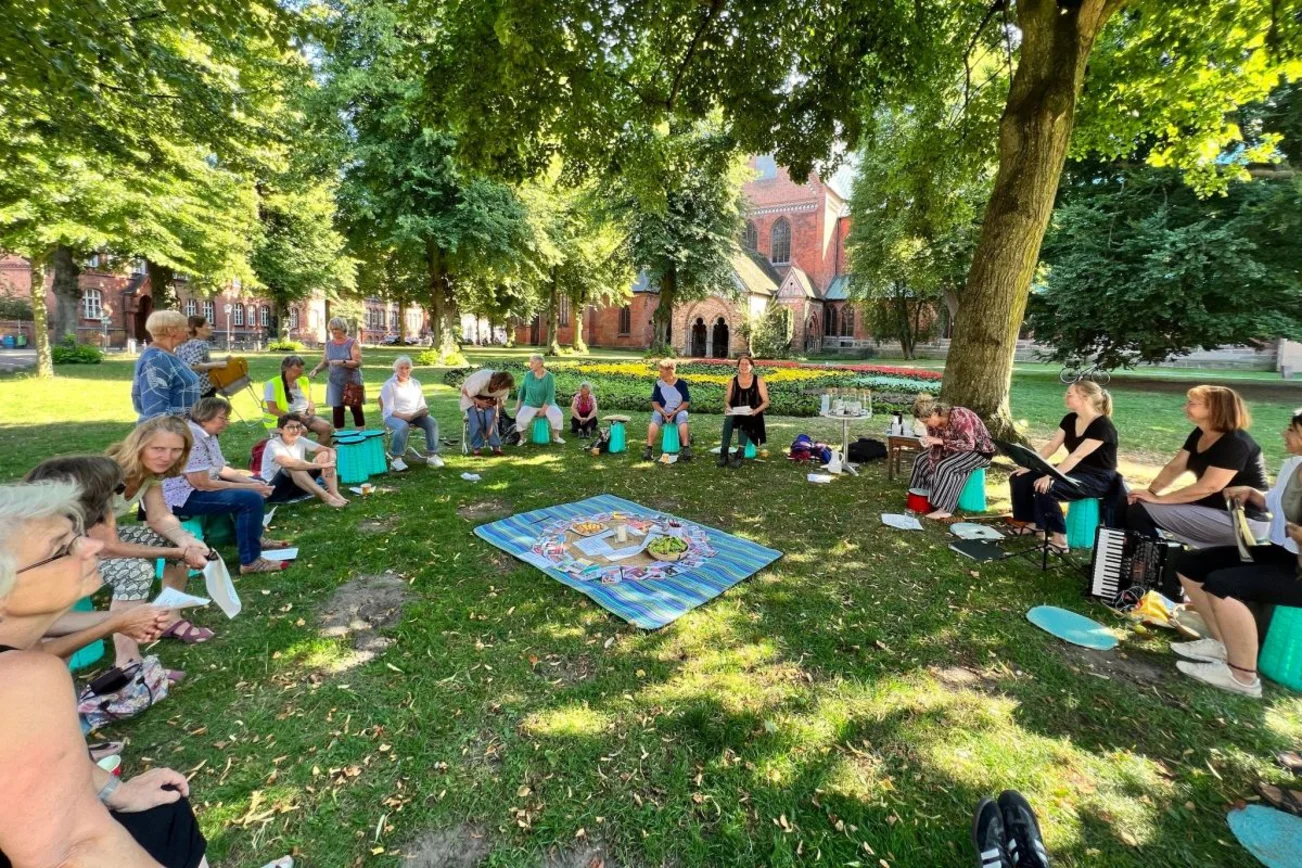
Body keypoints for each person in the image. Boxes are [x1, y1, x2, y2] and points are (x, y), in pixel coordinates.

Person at [0, 480, 209, 868]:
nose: (93, 546)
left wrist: (117, 792)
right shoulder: (22, 679)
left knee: (162, 807)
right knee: (167, 819)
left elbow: (45, 762)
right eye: (62, 549)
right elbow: (71, 848)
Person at [1166, 408, 1302, 698]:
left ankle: (1243, 676)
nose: (1285, 434)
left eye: (1292, 430)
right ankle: (1223, 646)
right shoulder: (1294, 464)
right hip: (1283, 553)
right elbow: (1277, 503)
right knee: (1190, 564)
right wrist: (1254, 494)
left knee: (1224, 585)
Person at [92, 416, 215, 667]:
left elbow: (159, 517)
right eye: (158, 448)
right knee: (135, 570)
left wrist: (185, 540)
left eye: (176, 450)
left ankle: (170, 617)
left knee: (179, 541)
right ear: (139, 446)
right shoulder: (106, 475)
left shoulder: (149, 473)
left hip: (93, 539)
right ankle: (128, 662)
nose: (167, 457)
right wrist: (179, 553)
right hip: (58, 552)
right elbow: (108, 547)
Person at [22, 457, 172, 661]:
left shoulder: (38, 540)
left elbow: (45, 624)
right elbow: (35, 653)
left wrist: (121, 620)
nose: (118, 498)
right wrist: (117, 622)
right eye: (64, 543)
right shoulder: (26, 561)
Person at [1127, 385, 1269, 548]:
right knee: (1132, 504)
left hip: (1241, 519)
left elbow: (1210, 486)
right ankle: (1156, 554)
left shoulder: (1236, 443)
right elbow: (1175, 467)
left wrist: (1160, 500)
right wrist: (1151, 492)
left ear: (1215, 409)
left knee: (1139, 512)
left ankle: (1158, 557)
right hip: (1212, 510)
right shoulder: (1200, 433)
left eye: (1192, 404)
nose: (1185, 407)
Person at [163, 397, 289, 575]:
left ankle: (254, 539)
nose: (227, 423)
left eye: (227, 418)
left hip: (197, 488)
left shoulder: (205, 433)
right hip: (183, 496)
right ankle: (251, 561)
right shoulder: (193, 438)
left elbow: (220, 469)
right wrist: (251, 488)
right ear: (205, 418)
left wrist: (253, 483)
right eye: (222, 418)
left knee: (256, 485)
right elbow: (202, 484)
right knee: (250, 499)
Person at [1008, 381, 1119, 552]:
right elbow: (1052, 446)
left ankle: (1060, 539)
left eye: (1070, 394)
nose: (1065, 397)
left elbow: (1077, 455)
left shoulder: (1102, 426)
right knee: (1020, 477)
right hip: (1074, 469)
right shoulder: (1070, 419)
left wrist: (1050, 476)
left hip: (1097, 477)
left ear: (1085, 398)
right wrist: (1031, 465)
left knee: (1047, 487)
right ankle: (1035, 525)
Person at [908, 395, 995, 520]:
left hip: (979, 451)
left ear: (935, 413)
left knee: (945, 467)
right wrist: (931, 453)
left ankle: (944, 509)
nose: (927, 424)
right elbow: (936, 448)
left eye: (927, 421)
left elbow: (968, 444)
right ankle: (920, 496)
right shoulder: (933, 425)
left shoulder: (959, 415)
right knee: (921, 459)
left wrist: (939, 441)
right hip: (953, 451)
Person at [259, 413, 348, 508]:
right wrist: (322, 465)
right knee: (294, 466)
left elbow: (329, 450)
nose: (296, 430)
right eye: (290, 427)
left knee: (324, 454)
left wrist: (331, 461)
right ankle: (326, 497)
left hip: (300, 483)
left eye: (298, 426)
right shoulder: (273, 444)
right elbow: (289, 464)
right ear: (280, 430)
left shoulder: (299, 439)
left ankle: (334, 493)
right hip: (276, 489)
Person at [131, 310, 202, 422]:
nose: (189, 329)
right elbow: (155, 410)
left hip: (182, 427)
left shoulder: (167, 355)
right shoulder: (156, 359)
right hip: (169, 429)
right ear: (171, 331)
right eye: (185, 326)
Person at [379, 356, 444, 471]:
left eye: (407, 368)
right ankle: (396, 459)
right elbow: (389, 409)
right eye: (401, 368)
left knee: (431, 423)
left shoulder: (415, 383)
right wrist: (406, 417)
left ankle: (432, 455)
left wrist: (423, 410)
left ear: (411, 369)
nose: (404, 371)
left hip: (414, 414)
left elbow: (421, 403)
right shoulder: (389, 385)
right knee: (402, 426)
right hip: (393, 416)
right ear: (395, 369)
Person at [310, 318, 365, 431]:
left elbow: (358, 363)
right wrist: (316, 370)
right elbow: (325, 362)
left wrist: (342, 362)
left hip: (352, 380)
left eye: (336, 329)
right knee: (337, 409)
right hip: (335, 381)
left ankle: (361, 434)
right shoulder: (329, 344)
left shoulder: (352, 343)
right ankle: (339, 435)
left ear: (343, 328)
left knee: (356, 408)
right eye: (331, 329)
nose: (334, 332)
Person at [263, 354, 333, 442]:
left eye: (302, 367)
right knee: (302, 430)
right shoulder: (272, 384)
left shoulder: (304, 380)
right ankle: (299, 451)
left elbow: (310, 400)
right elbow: (272, 410)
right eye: (298, 367)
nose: (301, 369)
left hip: (303, 415)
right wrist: (295, 416)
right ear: (286, 368)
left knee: (325, 427)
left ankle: (321, 450)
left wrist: (311, 409)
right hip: (282, 418)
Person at [718, 353, 769, 468]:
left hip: (753, 413)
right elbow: (727, 400)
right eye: (741, 364)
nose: (744, 366)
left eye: (747, 364)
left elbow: (766, 402)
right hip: (736, 411)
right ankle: (724, 453)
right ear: (738, 366)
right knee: (729, 419)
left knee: (745, 419)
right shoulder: (732, 381)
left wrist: (755, 411)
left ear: (751, 366)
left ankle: (740, 455)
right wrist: (728, 408)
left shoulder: (758, 380)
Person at [643, 359, 693, 462]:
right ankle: (649, 449)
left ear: (670, 371)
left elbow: (686, 402)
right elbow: (655, 402)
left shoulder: (682, 384)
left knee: (683, 415)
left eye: (662, 371)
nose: (660, 374)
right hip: (662, 412)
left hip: (677, 412)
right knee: (656, 416)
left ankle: (686, 449)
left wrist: (675, 412)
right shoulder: (659, 384)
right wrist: (663, 413)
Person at [174, 315, 231, 400]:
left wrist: (221, 360)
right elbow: (193, 365)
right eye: (208, 325)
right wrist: (217, 364)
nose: (211, 327)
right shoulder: (200, 344)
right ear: (198, 329)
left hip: (184, 390)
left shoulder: (181, 344)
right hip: (202, 391)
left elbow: (192, 362)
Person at [460, 369, 515, 456]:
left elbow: (501, 401)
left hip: (490, 402)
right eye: (497, 386)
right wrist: (478, 401)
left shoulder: (505, 387)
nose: (498, 389)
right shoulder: (483, 379)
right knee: (477, 421)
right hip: (472, 399)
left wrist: (496, 411)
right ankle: (477, 448)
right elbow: (465, 391)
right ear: (495, 381)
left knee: (491, 421)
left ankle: (496, 446)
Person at [514, 353, 565, 445]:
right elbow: (522, 391)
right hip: (530, 404)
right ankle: (522, 438)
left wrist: (543, 410)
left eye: (532, 363)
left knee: (557, 415)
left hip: (547, 404)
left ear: (540, 364)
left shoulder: (549, 377)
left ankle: (556, 437)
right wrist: (518, 405)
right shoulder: (528, 375)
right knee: (520, 418)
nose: (530, 365)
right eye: (530, 362)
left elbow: (550, 396)